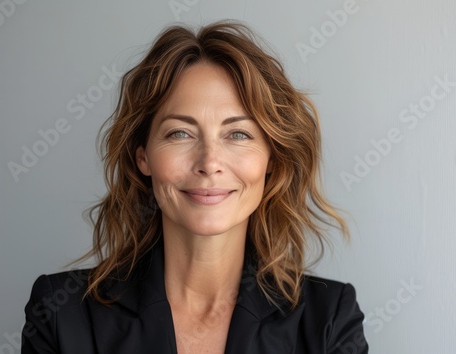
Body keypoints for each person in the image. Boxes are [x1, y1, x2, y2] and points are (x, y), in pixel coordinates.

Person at [21, 20, 368, 354]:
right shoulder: (60, 313)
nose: (209, 162)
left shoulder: (330, 320)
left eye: (238, 134)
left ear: (271, 160)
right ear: (143, 157)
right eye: (180, 133)